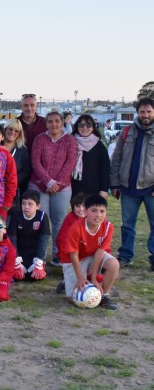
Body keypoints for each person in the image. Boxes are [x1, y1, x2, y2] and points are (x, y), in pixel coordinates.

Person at [29, 111, 78, 266]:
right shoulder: (40, 139)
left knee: (59, 221)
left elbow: (70, 163)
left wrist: (56, 183)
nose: (54, 124)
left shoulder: (69, 140)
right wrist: (48, 182)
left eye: (57, 121)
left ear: (62, 122)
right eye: (50, 121)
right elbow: (35, 162)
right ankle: (39, 255)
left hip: (62, 187)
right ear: (46, 123)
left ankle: (58, 254)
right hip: (39, 184)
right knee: (40, 220)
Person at [110, 96, 154, 270]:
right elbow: (116, 159)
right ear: (137, 112)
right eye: (142, 111)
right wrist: (114, 184)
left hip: (151, 188)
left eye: (149, 111)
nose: (146, 115)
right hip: (128, 188)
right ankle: (126, 256)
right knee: (127, 225)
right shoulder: (127, 131)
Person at [59, 195, 119, 310]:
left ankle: (104, 296)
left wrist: (94, 278)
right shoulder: (75, 228)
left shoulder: (108, 227)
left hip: (93, 254)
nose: (98, 215)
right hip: (75, 259)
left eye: (102, 211)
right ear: (86, 211)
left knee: (114, 264)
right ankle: (66, 282)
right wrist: (81, 277)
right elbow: (73, 255)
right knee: (73, 298)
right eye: (94, 211)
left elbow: (100, 252)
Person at [7, 190, 51, 281]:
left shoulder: (42, 216)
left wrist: (39, 261)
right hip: (19, 251)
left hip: (35, 251)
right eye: (23, 204)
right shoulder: (16, 216)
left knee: (34, 277)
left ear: (38, 206)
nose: (26, 207)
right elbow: (11, 239)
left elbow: (44, 240)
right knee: (18, 276)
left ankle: (41, 264)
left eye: (30, 204)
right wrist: (16, 261)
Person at [54, 192, 88, 294]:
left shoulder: (92, 219)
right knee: (76, 273)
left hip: (87, 253)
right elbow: (62, 240)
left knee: (96, 274)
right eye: (78, 206)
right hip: (72, 253)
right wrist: (64, 257)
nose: (81, 209)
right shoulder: (70, 219)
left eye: (84, 206)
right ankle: (66, 281)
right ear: (72, 207)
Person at [71, 114, 110, 198]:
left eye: (88, 125)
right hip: (74, 189)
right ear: (77, 126)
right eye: (81, 125)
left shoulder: (99, 145)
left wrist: (104, 189)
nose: (85, 128)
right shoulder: (71, 143)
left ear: (93, 128)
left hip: (94, 189)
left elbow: (105, 169)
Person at [3, 119, 30, 205]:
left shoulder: (22, 150)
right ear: (5, 129)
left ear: (19, 134)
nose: (12, 132)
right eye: (10, 129)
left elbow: (25, 171)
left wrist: (11, 181)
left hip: (11, 190)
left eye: (16, 131)